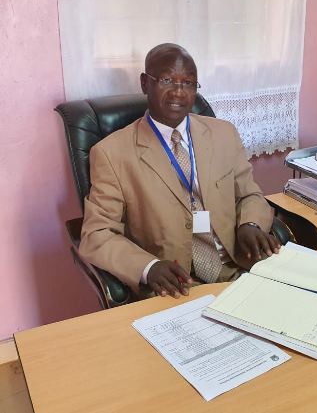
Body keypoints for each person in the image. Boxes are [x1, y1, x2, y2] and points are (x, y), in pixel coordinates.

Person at [79, 43, 280, 299]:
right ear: (144, 83)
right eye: (167, 80)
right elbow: (97, 234)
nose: (178, 93)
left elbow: (249, 194)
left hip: (238, 270)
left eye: (188, 83)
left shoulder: (223, 133)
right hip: (174, 287)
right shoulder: (111, 153)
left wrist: (250, 223)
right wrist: (148, 267)